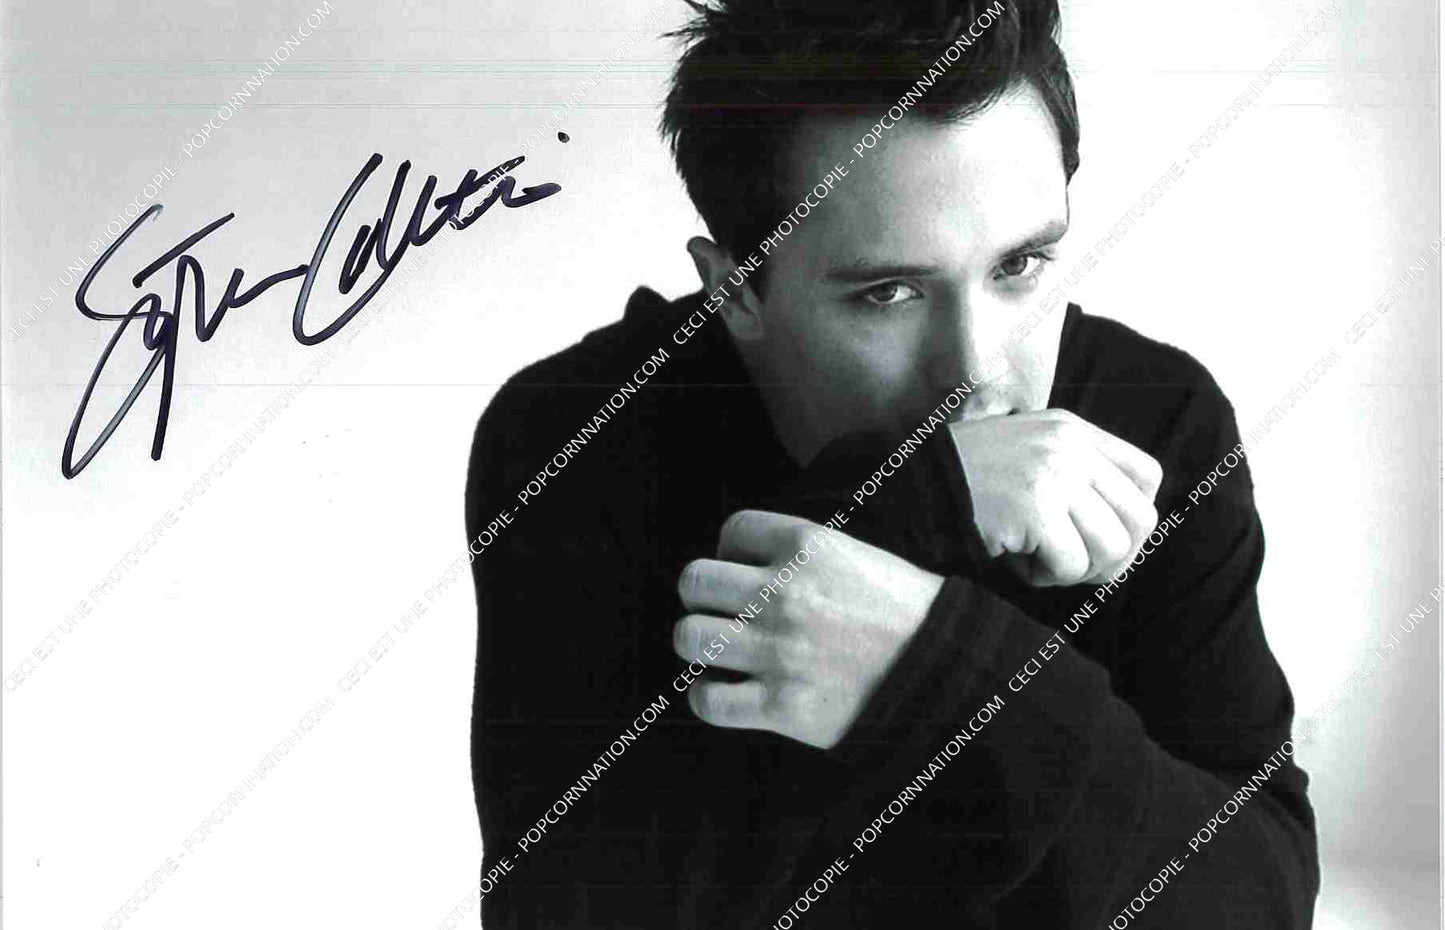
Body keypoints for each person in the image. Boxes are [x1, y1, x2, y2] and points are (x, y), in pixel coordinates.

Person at [465, 0, 1319, 925]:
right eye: (889, 292)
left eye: (1019, 266)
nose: (978, 372)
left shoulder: (1159, 419)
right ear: (735, 291)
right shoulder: (573, 435)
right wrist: (905, 515)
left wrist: (946, 677)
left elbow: (1262, 897)